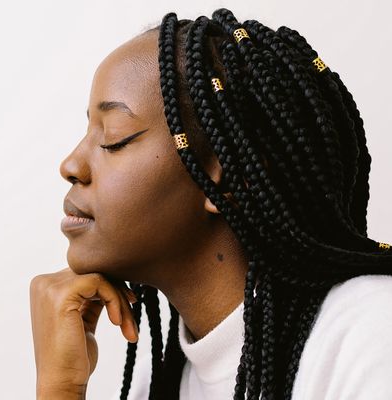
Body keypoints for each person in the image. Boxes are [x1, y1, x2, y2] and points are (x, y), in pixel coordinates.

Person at [29, 7, 392, 400]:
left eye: (113, 138)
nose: (70, 165)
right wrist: (61, 387)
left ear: (229, 172)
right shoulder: (163, 383)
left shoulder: (371, 335)